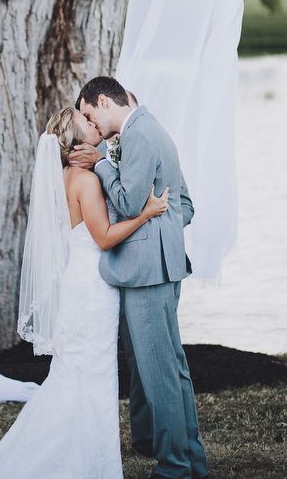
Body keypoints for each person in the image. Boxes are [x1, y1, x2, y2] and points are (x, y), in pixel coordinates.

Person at [0, 106, 169, 478]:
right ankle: (86, 462)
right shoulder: (86, 181)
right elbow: (104, 238)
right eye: (86, 124)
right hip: (91, 289)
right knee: (92, 372)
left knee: (78, 374)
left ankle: (85, 459)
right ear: (76, 142)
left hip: (82, 284)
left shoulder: (67, 176)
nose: (94, 125)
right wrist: (146, 213)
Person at [71, 76, 208, 479]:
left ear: (101, 101)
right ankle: (191, 461)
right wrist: (163, 235)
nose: (88, 124)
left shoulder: (138, 137)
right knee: (172, 368)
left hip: (148, 273)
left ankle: (174, 467)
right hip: (160, 268)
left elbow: (130, 203)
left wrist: (99, 165)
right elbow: (184, 204)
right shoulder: (152, 129)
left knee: (158, 372)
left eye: (88, 113)